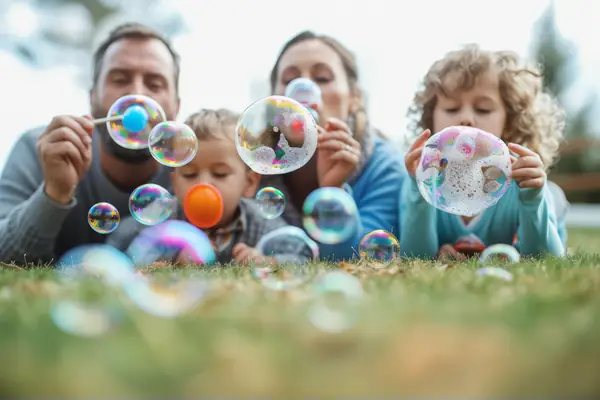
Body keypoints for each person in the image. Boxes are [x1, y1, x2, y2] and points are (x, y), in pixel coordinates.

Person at [0, 23, 180, 265]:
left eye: (154, 84)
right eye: (119, 79)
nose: (136, 96)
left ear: (176, 107)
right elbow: (5, 256)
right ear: (92, 97)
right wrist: (54, 193)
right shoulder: (40, 149)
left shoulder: (199, 168)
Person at [400, 44, 568, 260]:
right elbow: (414, 258)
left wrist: (533, 198)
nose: (467, 118)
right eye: (451, 108)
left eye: (483, 109)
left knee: (552, 194)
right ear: (430, 118)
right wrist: (419, 191)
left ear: (510, 120)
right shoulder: (422, 179)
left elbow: (546, 260)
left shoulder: (521, 182)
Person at [260, 31, 408, 261]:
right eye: (289, 81)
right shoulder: (249, 168)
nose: (303, 91)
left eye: (322, 78)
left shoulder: (385, 167)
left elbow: (365, 257)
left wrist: (333, 190)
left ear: (353, 98)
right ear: (273, 99)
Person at [107, 108, 315, 265]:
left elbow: (300, 252)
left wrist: (266, 259)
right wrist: (171, 257)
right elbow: (120, 245)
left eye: (220, 174)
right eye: (189, 174)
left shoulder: (258, 222)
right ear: (175, 183)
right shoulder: (164, 218)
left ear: (249, 183)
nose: (203, 184)